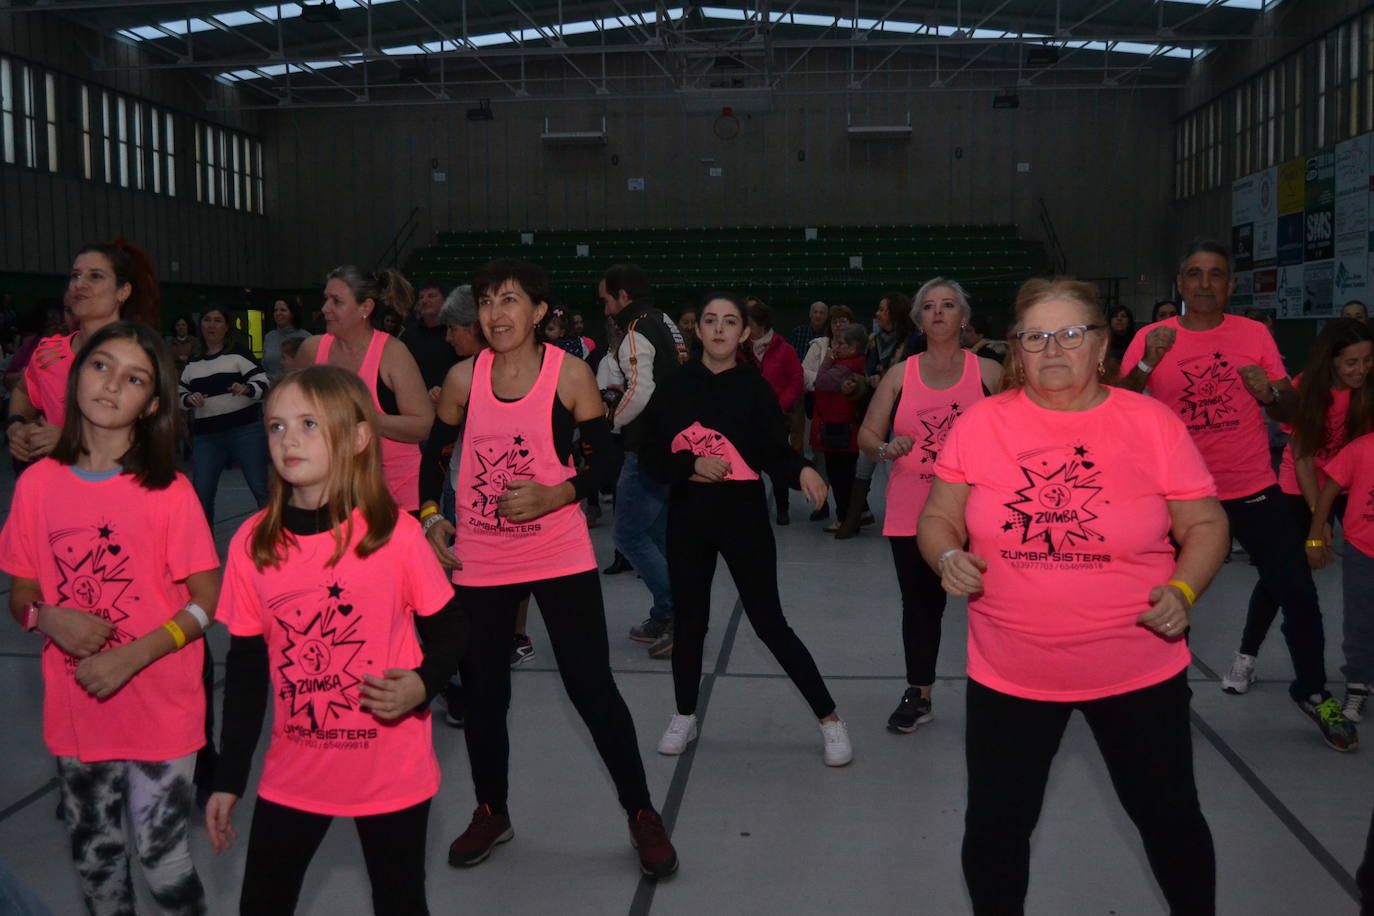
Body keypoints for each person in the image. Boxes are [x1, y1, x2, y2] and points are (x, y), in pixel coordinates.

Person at [918, 278, 1227, 915]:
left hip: (1138, 669)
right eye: (1035, 337)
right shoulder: (981, 424)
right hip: (1011, 673)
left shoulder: (1151, 424)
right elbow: (937, 517)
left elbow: (1205, 525)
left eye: (1070, 334)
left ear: (1102, 343)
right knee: (997, 830)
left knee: (1170, 822)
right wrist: (947, 554)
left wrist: (1183, 586)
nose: (1052, 349)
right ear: (1016, 350)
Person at [417, 258, 677, 878]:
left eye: (509, 301)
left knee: (592, 689)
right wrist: (429, 516)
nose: (495, 314)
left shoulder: (571, 374)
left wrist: (557, 494)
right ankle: (492, 809)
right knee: (485, 695)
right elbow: (433, 460)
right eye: (485, 301)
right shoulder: (461, 379)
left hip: (557, 551)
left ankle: (641, 814)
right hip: (481, 556)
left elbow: (606, 463)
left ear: (537, 312)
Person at [206, 366, 465, 915]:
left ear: (356, 437)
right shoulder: (253, 544)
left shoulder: (393, 535)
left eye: (307, 424)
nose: (287, 440)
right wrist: (229, 779)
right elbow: (248, 674)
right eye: (275, 427)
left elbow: (451, 631)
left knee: (400, 902)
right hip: (295, 772)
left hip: (390, 770)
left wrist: (422, 684)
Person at [0, 322, 222, 914]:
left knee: (162, 858)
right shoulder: (37, 487)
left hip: (161, 705)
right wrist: (48, 619)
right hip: (78, 709)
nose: (110, 384)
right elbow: (20, 593)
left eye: (133, 379)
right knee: (97, 861)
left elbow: (207, 599)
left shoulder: (169, 491)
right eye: (101, 367)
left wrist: (134, 654)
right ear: (76, 379)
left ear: (149, 404)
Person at [1120, 239, 1356, 750]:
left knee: (1297, 592)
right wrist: (1145, 364)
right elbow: (1115, 408)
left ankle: (1314, 693)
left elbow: (1291, 410)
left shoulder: (1253, 334)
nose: (1205, 284)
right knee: (1168, 600)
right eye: (1196, 274)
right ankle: (1165, 695)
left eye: (1216, 275)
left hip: (1251, 487)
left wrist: (1270, 393)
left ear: (1229, 285)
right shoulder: (1151, 336)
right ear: (1180, 284)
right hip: (1176, 495)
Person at [644, 293, 851, 765]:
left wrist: (801, 470)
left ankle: (830, 719)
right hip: (688, 520)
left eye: (730, 322)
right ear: (698, 330)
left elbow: (770, 449)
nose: (719, 329)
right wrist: (690, 464)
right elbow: (651, 455)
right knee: (691, 624)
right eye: (711, 320)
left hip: (743, 520)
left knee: (769, 623)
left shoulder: (753, 388)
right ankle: (684, 714)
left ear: (743, 333)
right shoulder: (674, 385)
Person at [856, 279, 1002, 732]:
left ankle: (1008, 692)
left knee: (998, 605)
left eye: (948, 305)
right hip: (913, 512)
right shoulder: (901, 375)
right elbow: (867, 437)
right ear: (919, 319)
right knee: (920, 607)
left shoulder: (991, 374)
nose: (938, 313)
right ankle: (919, 694)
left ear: (964, 317)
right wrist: (886, 450)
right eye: (930, 307)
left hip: (981, 513)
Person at [1228, 318, 1373, 698]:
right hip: (1300, 488)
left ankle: (1362, 670)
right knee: (1282, 578)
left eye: (1367, 360)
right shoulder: (1305, 388)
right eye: (1351, 362)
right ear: (1331, 362)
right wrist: (1318, 523)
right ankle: (1246, 656)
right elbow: (1305, 459)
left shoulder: (1367, 390)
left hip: (1347, 486)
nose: (1361, 370)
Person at [599, 263, 689, 658]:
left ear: (623, 297)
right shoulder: (666, 321)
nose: (604, 310)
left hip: (650, 447)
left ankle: (678, 615)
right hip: (675, 443)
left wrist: (612, 425)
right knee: (657, 535)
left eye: (606, 301)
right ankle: (667, 612)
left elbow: (641, 388)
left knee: (628, 535)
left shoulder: (637, 329)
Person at [8, 240, 159, 467]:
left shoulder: (140, 356)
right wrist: (16, 424)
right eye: (75, 276)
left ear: (122, 291)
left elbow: (152, 437)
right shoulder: (49, 351)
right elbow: (23, 392)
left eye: (95, 276)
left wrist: (69, 442)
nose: (80, 284)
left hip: (117, 488)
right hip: (59, 487)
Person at [297, 267, 434, 514]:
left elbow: (423, 426)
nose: (326, 308)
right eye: (326, 299)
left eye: (336, 301)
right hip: (334, 493)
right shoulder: (310, 350)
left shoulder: (393, 353)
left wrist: (361, 417)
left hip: (395, 496)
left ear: (365, 308)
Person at [834, 289, 918, 539]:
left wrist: (882, 379)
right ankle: (854, 518)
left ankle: (903, 519)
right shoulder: (873, 340)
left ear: (895, 313)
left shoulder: (913, 341)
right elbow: (865, 372)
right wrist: (857, 383)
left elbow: (911, 376)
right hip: (876, 410)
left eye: (882, 309)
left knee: (899, 467)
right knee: (864, 464)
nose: (877, 314)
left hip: (902, 413)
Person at [179, 307, 271, 524]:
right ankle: (204, 554)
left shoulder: (240, 354)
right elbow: (179, 393)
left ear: (227, 326)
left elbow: (264, 384)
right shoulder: (193, 362)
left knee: (261, 490)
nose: (211, 325)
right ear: (200, 326)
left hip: (246, 431)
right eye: (207, 320)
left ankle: (275, 545)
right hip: (207, 437)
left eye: (218, 320)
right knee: (201, 495)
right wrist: (188, 399)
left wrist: (247, 389)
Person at [1309, 428, 1374, 725]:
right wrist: (1315, 536)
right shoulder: (1360, 449)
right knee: (1359, 620)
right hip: (1363, 552)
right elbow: (1328, 493)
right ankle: (1357, 684)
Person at [742, 300, 803, 525]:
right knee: (748, 467)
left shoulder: (783, 348)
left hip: (776, 417)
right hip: (747, 418)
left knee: (777, 465)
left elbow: (796, 380)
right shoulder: (740, 349)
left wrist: (779, 406)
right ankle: (752, 508)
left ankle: (782, 508)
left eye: (748, 323)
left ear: (761, 324)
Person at [811, 323, 869, 531]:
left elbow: (821, 381)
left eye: (842, 344)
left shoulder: (844, 367)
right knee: (847, 476)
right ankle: (860, 511)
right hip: (846, 429)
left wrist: (829, 358)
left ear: (852, 348)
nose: (837, 347)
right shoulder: (856, 363)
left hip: (840, 431)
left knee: (840, 478)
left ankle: (844, 517)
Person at [403, 280, 460, 397]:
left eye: (431, 296)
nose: (424, 301)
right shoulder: (408, 335)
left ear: (445, 301)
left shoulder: (457, 333)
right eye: (421, 297)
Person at [262, 299, 310, 382]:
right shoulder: (269, 337)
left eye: (283, 310)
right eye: (275, 310)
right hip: (270, 389)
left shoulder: (306, 337)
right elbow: (264, 366)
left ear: (293, 313)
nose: (278, 313)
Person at [1105, 303, 1134, 369]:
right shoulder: (1102, 343)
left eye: (1123, 316)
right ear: (1109, 321)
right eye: (1115, 316)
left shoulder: (1136, 342)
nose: (1119, 319)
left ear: (1129, 322)